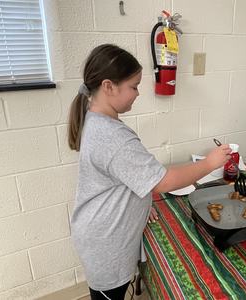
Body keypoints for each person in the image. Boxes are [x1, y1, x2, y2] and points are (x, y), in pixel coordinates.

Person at [67, 44, 231, 300]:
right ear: (109, 87)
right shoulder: (112, 136)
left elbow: (122, 176)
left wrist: (139, 202)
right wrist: (210, 163)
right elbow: (164, 182)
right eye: (133, 86)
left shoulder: (97, 119)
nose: (138, 93)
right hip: (106, 244)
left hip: (98, 232)